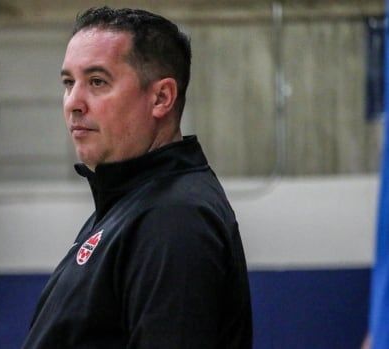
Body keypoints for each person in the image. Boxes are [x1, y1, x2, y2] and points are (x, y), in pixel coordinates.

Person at [22, 6, 252, 348]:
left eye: (97, 82)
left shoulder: (174, 217)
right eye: (69, 83)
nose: (73, 102)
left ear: (161, 98)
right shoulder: (129, 204)